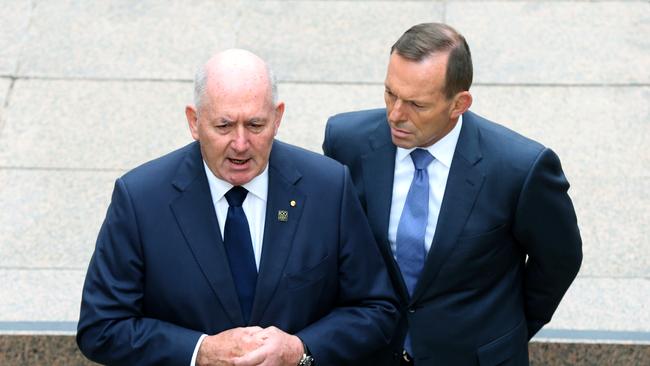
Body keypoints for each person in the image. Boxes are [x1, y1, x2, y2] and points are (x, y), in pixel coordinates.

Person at [77, 49, 399, 366]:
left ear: (277, 118)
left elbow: (376, 309)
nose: (241, 144)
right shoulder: (140, 199)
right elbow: (101, 326)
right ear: (194, 121)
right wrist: (199, 351)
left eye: (256, 125)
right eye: (224, 126)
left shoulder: (328, 188)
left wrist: (300, 349)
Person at [323, 23, 582, 365]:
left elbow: (559, 260)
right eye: (390, 93)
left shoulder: (520, 168)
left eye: (417, 104)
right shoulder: (347, 141)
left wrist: (507, 329)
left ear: (459, 103)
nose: (395, 115)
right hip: (372, 351)